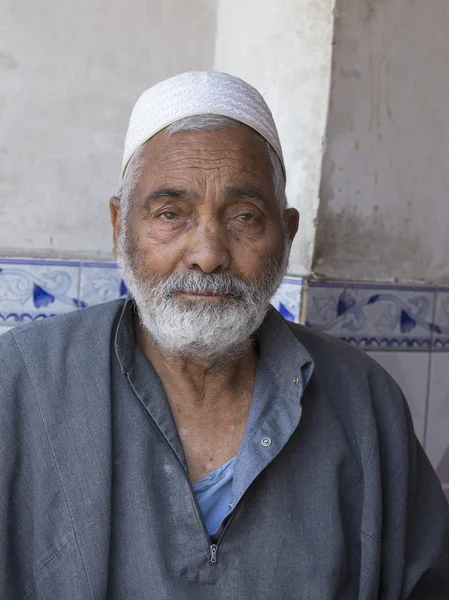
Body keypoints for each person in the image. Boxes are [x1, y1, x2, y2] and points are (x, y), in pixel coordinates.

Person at [0, 71, 448, 600]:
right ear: (120, 226)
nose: (208, 254)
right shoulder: (19, 383)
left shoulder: (366, 404)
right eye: (171, 214)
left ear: (286, 234)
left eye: (244, 216)